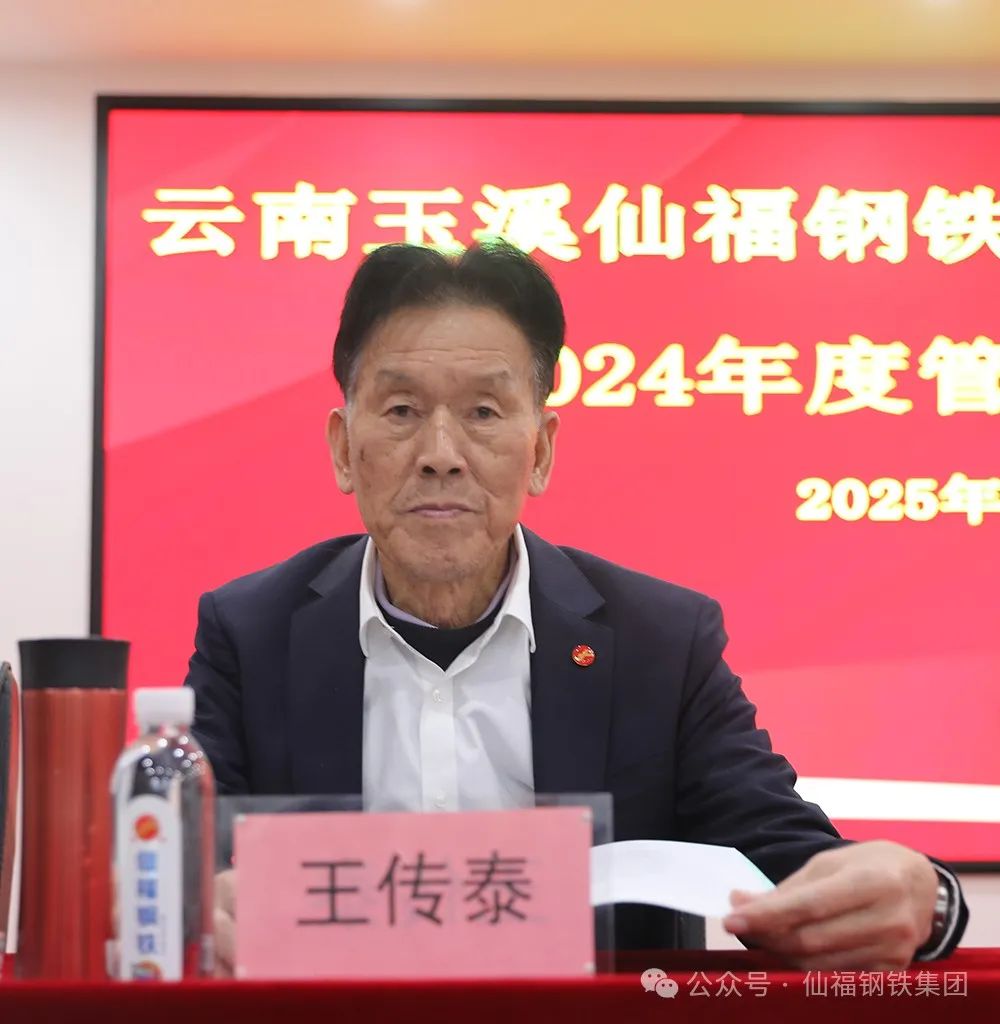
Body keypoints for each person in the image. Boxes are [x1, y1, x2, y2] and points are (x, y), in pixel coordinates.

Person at [186, 240, 967, 975]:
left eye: (484, 413)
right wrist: (194, 903)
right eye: (400, 411)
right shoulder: (251, 636)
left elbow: (791, 864)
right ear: (341, 448)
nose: (440, 454)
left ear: (542, 449)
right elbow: (169, 862)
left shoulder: (658, 643)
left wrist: (923, 900)